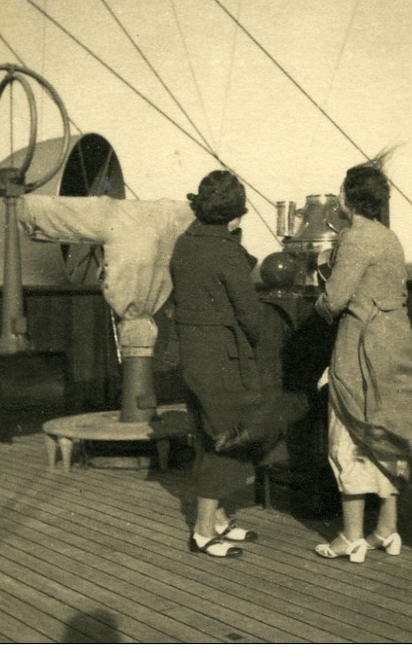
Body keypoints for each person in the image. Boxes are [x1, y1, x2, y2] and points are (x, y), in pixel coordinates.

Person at [313, 155, 412, 563]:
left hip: (361, 349)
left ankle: (350, 536)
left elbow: (334, 301)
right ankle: (386, 530)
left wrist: (319, 292)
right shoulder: (390, 237)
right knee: (385, 435)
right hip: (395, 343)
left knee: (350, 433)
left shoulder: (355, 238)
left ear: (347, 199)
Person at [170, 170, 282, 558]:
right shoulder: (227, 251)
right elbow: (250, 316)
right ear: (236, 214)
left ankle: (216, 518)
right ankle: (203, 531)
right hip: (224, 358)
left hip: (193, 356)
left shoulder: (184, 244)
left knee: (207, 433)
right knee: (231, 436)